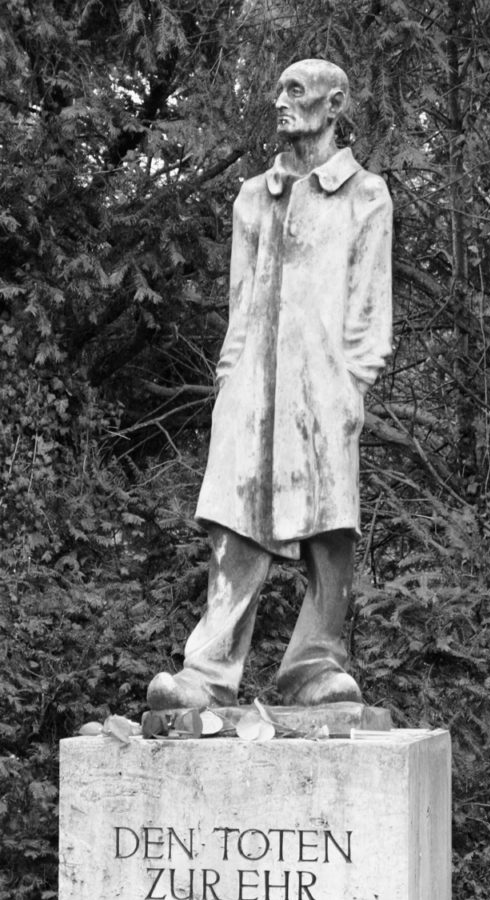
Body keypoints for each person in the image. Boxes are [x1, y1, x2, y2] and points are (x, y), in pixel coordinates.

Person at [148, 58, 393, 710]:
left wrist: (351, 387)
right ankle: (206, 673)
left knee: (326, 529)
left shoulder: (364, 195)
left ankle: (315, 666)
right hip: (252, 383)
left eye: (295, 90)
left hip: (323, 385)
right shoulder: (254, 196)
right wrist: (229, 380)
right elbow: (240, 300)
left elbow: (369, 311)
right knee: (233, 522)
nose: (277, 100)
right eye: (278, 87)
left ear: (334, 103)